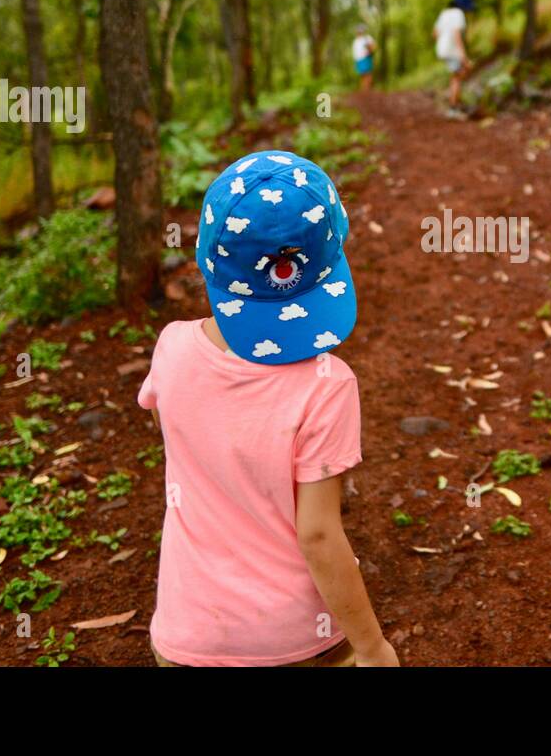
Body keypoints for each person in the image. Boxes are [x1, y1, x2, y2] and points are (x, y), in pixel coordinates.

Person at [138, 150, 397, 668]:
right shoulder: (328, 387)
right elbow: (319, 534)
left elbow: (165, 422)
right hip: (291, 644)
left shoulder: (171, 347)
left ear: (208, 260)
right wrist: (372, 648)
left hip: (187, 637)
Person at [433, 0, 474, 116]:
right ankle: (453, 107)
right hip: (452, 50)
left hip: (441, 49)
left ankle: (454, 101)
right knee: (460, 74)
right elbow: (456, 35)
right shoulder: (458, 13)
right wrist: (463, 56)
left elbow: (435, 33)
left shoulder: (444, 13)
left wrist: (442, 41)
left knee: (456, 75)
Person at [351, 24, 376, 92]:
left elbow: (373, 46)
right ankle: (364, 89)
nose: (359, 31)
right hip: (359, 59)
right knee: (362, 74)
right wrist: (355, 60)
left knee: (368, 73)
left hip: (366, 57)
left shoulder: (367, 38)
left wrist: (369, 52)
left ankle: (368, 89)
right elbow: (355, 51)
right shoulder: (356, 40)